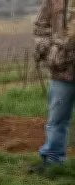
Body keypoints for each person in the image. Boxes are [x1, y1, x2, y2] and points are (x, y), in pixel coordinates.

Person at [32, 0, 75, 171]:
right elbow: (40, 27)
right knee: (57, 120)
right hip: (61, 71)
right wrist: (50, 50)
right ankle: (53, 161)